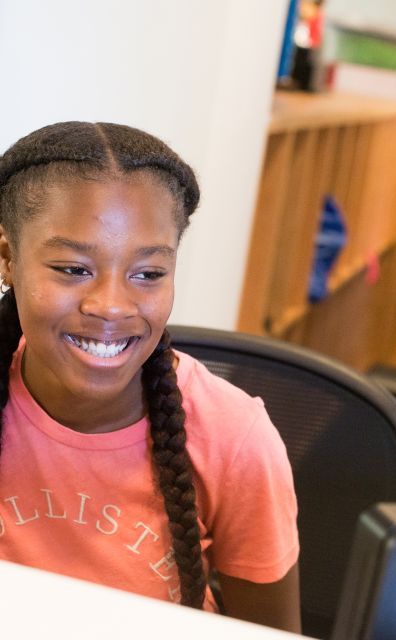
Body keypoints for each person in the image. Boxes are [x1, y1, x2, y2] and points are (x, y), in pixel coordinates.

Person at [0, 122, 301, 632]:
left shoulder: (235, 437)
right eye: (73, 269)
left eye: (148, 274)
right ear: (8, 259)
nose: (111, 305)